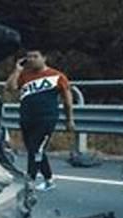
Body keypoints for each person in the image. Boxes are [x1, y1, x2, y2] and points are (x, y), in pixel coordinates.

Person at [6, 48, 75, 192]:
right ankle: (49, 179)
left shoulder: (56, 76)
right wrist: (17, 70)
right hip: (27, 117)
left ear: (44, 58)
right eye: (29, 57)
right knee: (34, 149)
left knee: (36, 149)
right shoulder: (25, 75)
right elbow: (10, 87)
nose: (31, 59)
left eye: (35, 56)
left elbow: (67, 99)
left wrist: (69, 119)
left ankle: (30, 180)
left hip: (46, 118)